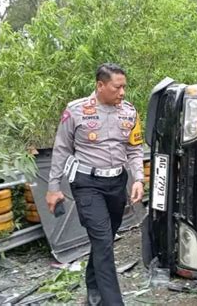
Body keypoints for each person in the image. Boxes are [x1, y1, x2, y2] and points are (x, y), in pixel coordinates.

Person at [45, 63, 144, 306]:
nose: (122, 93)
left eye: (124, 87)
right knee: (102, 242)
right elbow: (61, 150)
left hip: (116, 184)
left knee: (105, 241)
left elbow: (134, 148)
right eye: (117, 87)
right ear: (100, 85)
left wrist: (139, 178)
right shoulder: (77, 111)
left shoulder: (129, 112)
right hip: (87, 184)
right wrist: (53, 187)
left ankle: (93, 290)